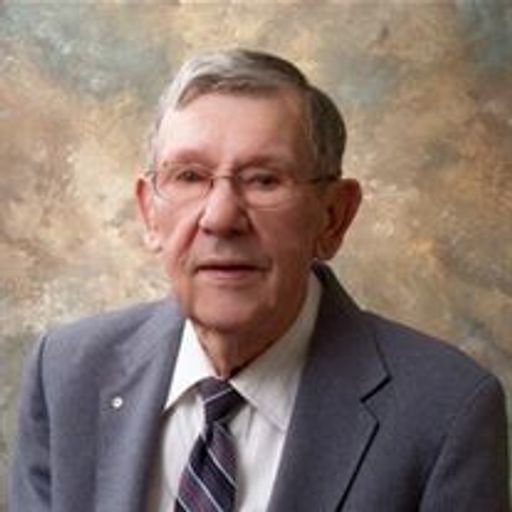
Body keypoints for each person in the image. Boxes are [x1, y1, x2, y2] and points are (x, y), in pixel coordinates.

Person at [9, 48, 510, 512]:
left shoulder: (446, 411)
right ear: (149, 213)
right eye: (189, 176)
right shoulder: (66, 374)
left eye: (265, 179)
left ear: (333, 217)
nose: (221, 217)